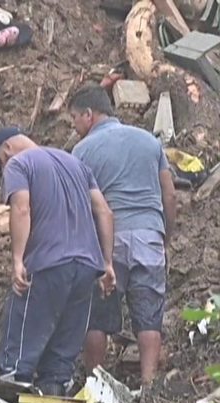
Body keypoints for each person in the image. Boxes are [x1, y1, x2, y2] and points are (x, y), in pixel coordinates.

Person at [0, 127, 116, 397]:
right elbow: (103, 210)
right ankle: (54, 388)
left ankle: (11, 389)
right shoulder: (76, 163)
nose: (2, 167)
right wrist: (107, 262)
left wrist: (18, 259)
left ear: (7, 149)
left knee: (21, 331)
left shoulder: (18, 164)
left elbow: (22, 209)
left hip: (48, 261)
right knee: (63, 348)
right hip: (86, 266)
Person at [68, 84, 177, 386]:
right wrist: (164, 233)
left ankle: (94, 382)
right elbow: (169, 194)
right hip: (148, 238)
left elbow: (80, 205)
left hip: (107, 242)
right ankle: (148, 383)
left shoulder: (83, 151)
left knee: (97, 316)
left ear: (89, 115)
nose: (75, 126)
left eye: (75, 118)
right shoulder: (149, 142)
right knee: (149, 314)